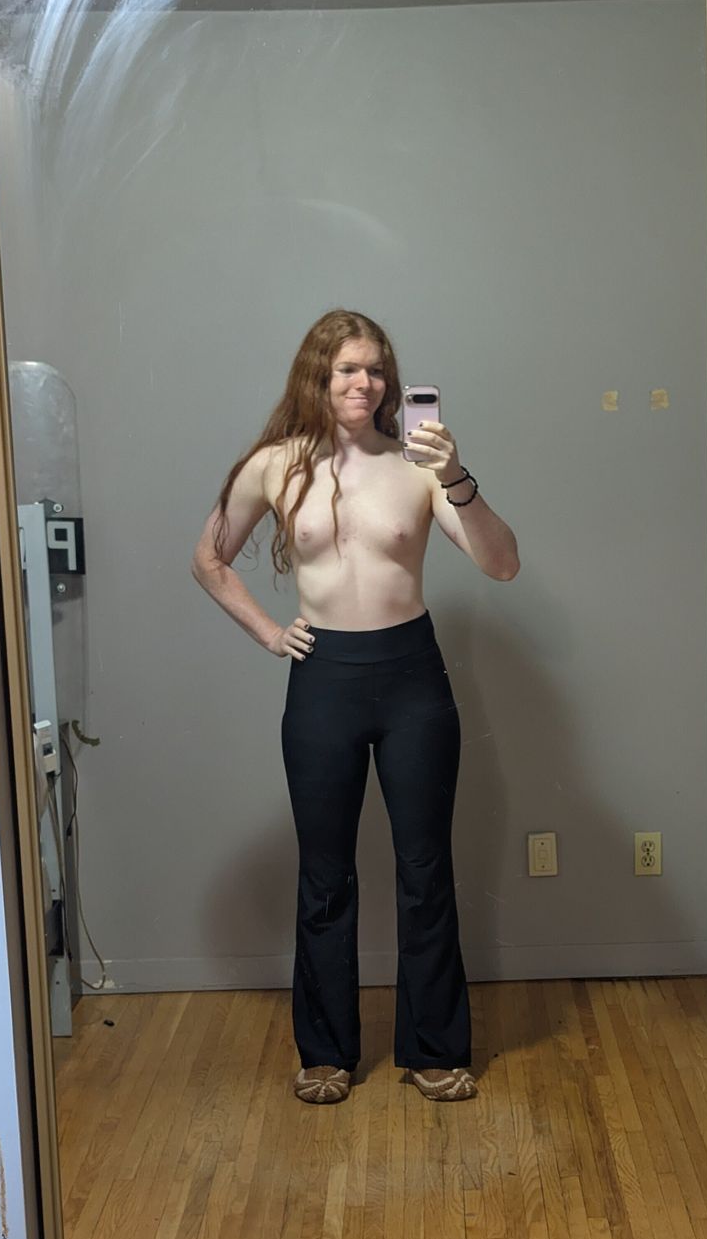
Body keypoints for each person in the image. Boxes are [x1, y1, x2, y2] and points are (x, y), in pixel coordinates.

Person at [191, 309, 520, 1104]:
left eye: (375, 369)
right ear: (318, 374)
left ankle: (434, 1049)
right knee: (325, 873)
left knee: (424, 868)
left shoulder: (418, 466)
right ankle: (326, 1052)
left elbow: (502, 564)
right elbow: (209, 559)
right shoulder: (275, 465)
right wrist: (271, 634)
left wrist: (457, 476)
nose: (363, 382)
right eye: (347, 368)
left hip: (412, 678)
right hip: (324, 680)